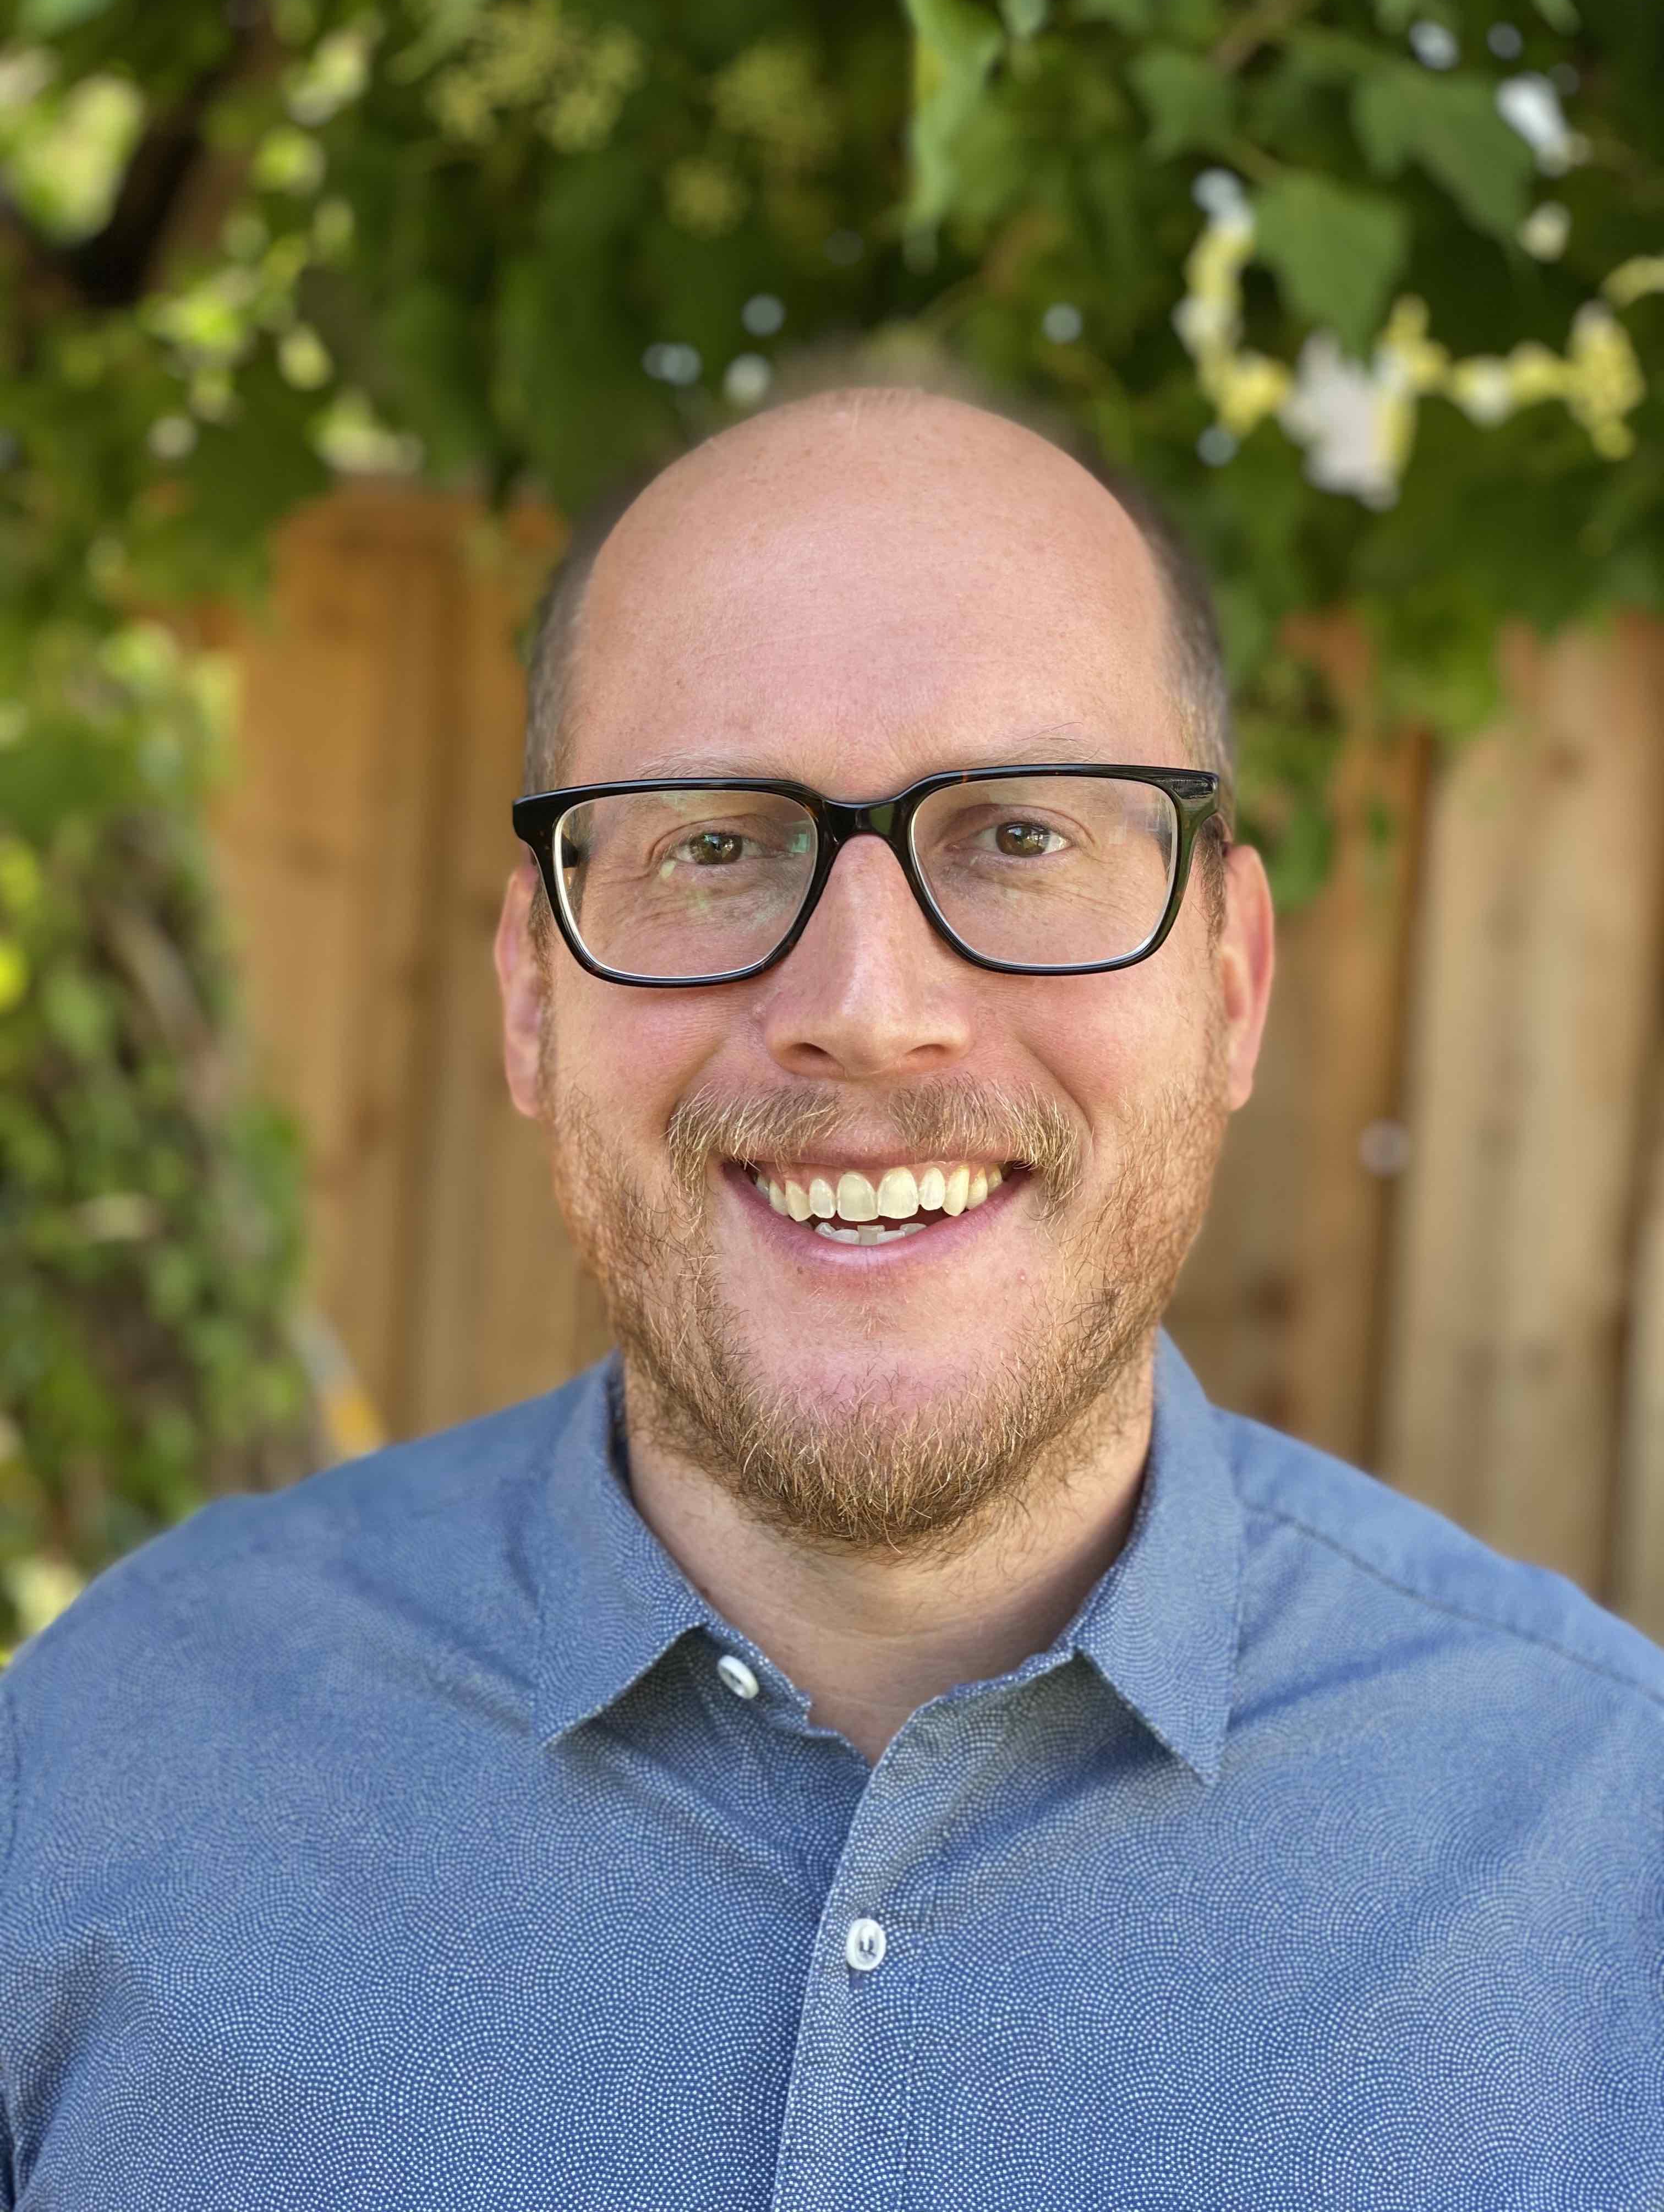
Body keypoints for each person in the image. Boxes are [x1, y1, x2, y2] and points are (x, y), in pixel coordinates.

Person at [3, 387, 1661, 2209]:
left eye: (1020, 836)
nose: (867, 1004)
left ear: (1235, 981)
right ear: (532, 1001)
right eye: (715, 843)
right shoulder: (94, 1787)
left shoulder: (1610, 1874)